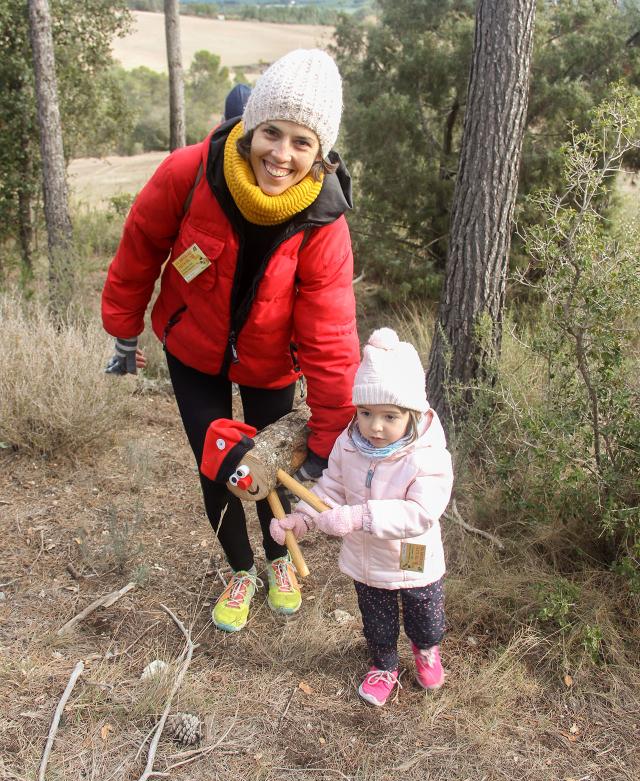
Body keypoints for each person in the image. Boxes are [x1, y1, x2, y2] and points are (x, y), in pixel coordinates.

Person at [102, 49, 359, 633]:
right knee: (217, 466)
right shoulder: (190, 171)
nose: (282, 155)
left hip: (271, 365)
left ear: (321, 152)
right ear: (249, 126)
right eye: (272, 133)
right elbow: (140, 247)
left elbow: (330, 331)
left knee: (272, 467)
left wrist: (326, 432)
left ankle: (278, 561)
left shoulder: (324, 219)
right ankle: (240, 569)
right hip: (193, 351)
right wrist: (123, 329)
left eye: (302, 142)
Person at [270, 328, 453, 706]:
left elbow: (421, 512)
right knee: (377, 620)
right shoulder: (348, 445)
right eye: (366, 413)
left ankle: (426, 650)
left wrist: (358, 517)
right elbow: (329, 489)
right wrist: (301, 520)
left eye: (390, 416)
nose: (375, 426)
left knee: (425, 614)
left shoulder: (427, 454)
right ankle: (384, 665)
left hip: (412, 556)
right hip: (367, 561)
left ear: (413, 413)